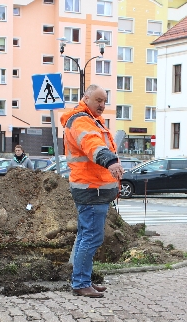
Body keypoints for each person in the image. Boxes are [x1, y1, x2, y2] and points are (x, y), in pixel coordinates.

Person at [61, 84, 124, 298]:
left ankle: (83, 279)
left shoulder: (88, 120)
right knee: (91, 237)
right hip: (91, 189)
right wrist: (111, 161)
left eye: (105, 101)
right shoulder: (81, 121)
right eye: (98, 100)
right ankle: (80, 282)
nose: (102, 105)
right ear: (85, 98)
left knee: (85, 236)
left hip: (91, 187)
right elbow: (92, 144)